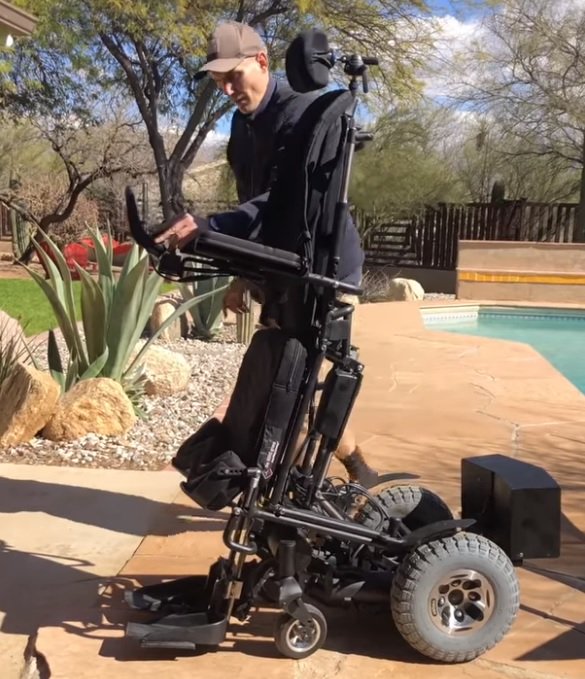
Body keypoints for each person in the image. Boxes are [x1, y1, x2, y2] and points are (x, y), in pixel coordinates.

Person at [155, 21, 380, 487]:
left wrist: (213, 226)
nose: (228, 89)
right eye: (219, 81)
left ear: (261, 61)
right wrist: (242, 275)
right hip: (281, 267)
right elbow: (253, 205)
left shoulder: (301, 115)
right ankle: (347, 471)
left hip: (323, 269)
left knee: (295, 385)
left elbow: (280, 202)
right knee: (288, 379)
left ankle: (299, 486)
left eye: (233, 76)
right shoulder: (243, 125)